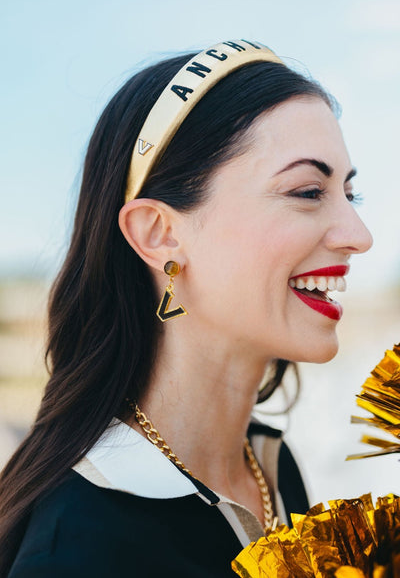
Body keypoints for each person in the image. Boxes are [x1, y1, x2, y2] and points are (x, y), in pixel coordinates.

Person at [0, 39, 372, 577]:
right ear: (160, 234)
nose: (359, 235)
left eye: (349, 194)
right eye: (308, 190)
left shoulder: (271, 468)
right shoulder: (80, 549)